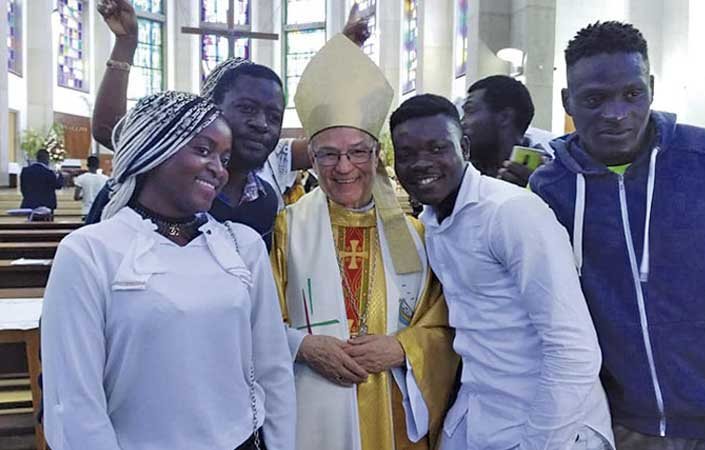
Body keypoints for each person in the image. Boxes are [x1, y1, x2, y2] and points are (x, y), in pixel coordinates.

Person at [41, 91, 295, 450]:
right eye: (203, 150)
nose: (219, 170)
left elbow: (273, 368)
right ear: (154, 148)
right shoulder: (89, 252)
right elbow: (74, 401)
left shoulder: (242, 246)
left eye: (224, 158)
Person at [528, 21, 705, 450]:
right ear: (568, 101)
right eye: (595, 99)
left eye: (632, 94)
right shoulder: (548, 190)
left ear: (651, 87)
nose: (616, 114)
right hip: (624, 424)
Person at [391, 94, 614, 450]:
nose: (422, 163)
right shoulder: (430, 224)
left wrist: (540, 441)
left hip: (550, 424)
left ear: (463, 147)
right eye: (407, 154)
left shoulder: (510, 213)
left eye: (436, 148)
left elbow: (574, 349)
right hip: (481, 416)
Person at [271, 35, 459, 450]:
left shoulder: (417, 235)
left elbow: (448, 325)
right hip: (313, 414)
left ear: (377, 156)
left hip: (394, 412)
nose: (343, 168)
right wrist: (302, 346)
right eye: (328, 155)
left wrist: (402, 349)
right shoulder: (285, 228)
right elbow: (257, 322)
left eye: (357, 152)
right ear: (312, 158)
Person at [90, 0, 370, 223]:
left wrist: (345, 56)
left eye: (274, 116)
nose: (262, 125)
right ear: (212, 108)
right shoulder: (174, 157)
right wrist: (125, 44)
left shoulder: (272, 167)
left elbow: (334, 139)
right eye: (247, 109)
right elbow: (108, 129)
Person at [461, 75, 552, 186]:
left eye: (470, 110)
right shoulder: (463, 174)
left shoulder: (550, 179)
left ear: (504, 117)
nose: (462, 123)